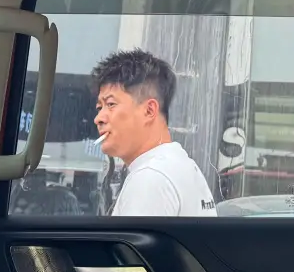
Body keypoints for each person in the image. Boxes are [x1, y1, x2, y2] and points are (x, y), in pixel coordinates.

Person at [91, 48, 217, 217]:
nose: (98, 118)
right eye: (99, 107)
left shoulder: (150, 177)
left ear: (149, 110)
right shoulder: (178, 166)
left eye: (111, 104)